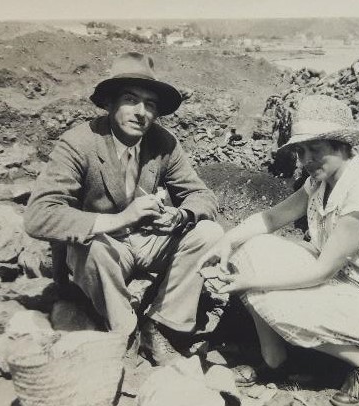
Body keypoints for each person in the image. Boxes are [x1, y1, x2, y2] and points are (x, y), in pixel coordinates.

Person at [198, 95, 359, 406]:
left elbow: (321, 272)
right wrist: (226, 241)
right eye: (301, 150)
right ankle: (274, 358)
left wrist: (248, 283)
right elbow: (273, 218)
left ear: (342, 147)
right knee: (248, 247)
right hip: (340, 281)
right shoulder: (320, 181)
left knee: (269, 297)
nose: (306, 159)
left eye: (316, 149)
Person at [25, 52, 223, 366]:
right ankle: (124, 331)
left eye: (151, 104)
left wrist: (181, 215)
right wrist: (118, 219)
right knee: (92, 247)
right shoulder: (79, 143)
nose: (141, 112)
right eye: (131, 100)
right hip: (104, 250)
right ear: (110, 103)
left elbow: (202, 195)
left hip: (146, 242)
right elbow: (39, 215)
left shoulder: (163, 143)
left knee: (209, 233)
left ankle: (161, 325)